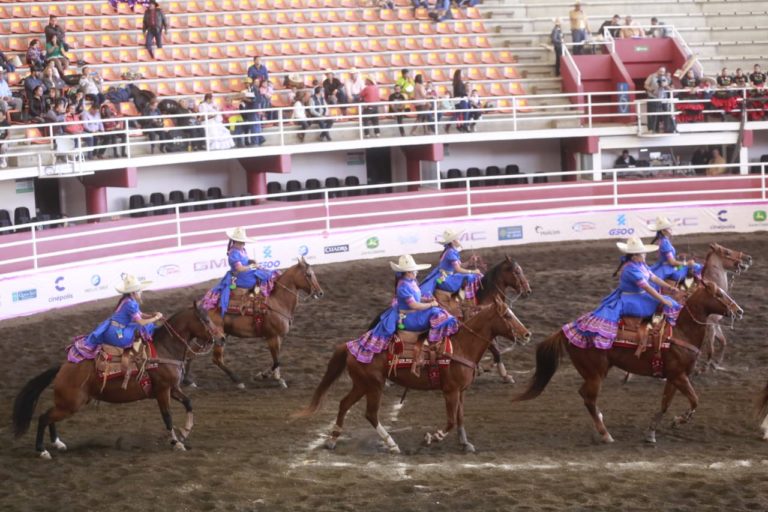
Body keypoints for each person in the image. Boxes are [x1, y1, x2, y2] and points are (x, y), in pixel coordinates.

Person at [347, 254, 459, 376]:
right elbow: (414, 306)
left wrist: (425, 300)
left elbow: (416, 298)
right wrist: (431, 305)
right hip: (409, 318)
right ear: (406, 272)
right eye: (412, 270)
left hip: (414, 312)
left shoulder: (411, 281)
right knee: (438, 314)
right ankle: (433, 344)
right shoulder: (403, 286)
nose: (415, 272)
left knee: (439, 312)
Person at [562, 236, 682, 350]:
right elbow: (647, 288)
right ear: (634, 256)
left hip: (639, 295)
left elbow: (654, 278)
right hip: (631, 299)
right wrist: (662, 299)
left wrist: (669, 287)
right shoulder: (631, 269)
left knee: (669, 301)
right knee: (667, 303)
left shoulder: (641, 265)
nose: (645, 255)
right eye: (642, 253)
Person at [82, 274, 163, 388]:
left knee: (147, 326)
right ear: (133, 293)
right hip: (117, 332)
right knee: (146, 327)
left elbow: (140, 315)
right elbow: (141, 322)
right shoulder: (131, 304)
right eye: (139, 291)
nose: (141, 293)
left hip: (114, 328)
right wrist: (156, 318)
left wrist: (151, 315)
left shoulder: (127, 300)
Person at [202, 227, 279, 315]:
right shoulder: (234, 254)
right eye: (242, 242)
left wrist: (251, 261)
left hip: (246, 273)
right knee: (263, 276)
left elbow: (245, 261)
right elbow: (240, 268)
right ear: (236, 241)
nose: (244, 244)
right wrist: (253, 266)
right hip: (240, 277)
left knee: (266, 272)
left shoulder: (241, 250)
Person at [419, 228, 483, 303]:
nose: (459, 240)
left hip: (441, 277)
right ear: (453, 241)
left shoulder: (450, 251)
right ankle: (467, 300)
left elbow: (460, 266)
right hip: (444, 279)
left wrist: (469, 262)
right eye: (457, 239)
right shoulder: (451, 253)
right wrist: (473, 271)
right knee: (471, 276)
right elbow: (458, 269)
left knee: (467, 276)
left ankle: (462, 297)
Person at [647, 216, 702, 284]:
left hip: (665, 266)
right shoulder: (665, 243)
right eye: (669, 228)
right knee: (697, 266)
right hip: (670, 268)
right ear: (663, 231)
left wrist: (678, 257)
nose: (671, 229)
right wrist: (687, 263)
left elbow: (667, 257)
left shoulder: (663, 240)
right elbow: (672, 262)